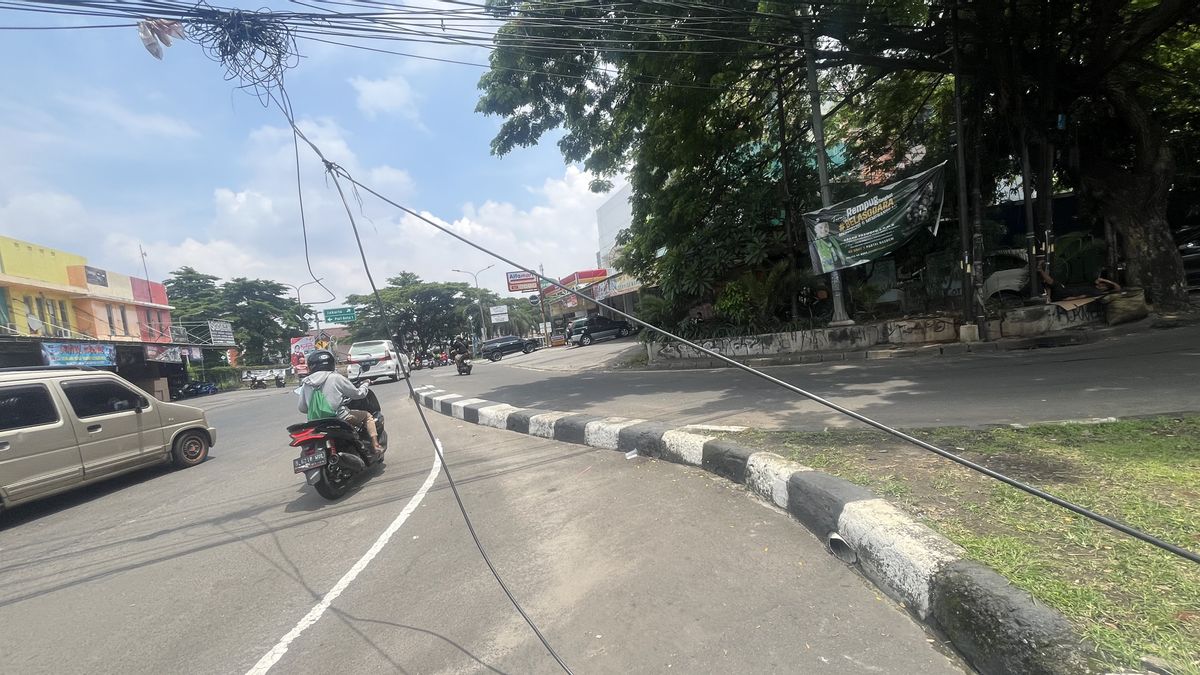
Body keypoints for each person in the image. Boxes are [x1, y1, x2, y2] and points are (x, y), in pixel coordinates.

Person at [297, 349, 383, 453]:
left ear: (311, 366)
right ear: (331, 363)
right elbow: (358, 394)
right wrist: (365, 384)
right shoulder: (336, 377)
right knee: (367, 416)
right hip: (339, 417)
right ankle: (376, 445)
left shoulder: (306, 383)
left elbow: (302, 408)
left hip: (315, 422)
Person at [1038, 264, 1121, 302]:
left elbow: (1118, 288)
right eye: (1101, 284)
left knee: (1054, 284)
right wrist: (1105, 280)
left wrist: (1066, 299)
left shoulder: (1096, 292)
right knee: (1049, 284)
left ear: (1105, 289)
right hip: (1065, 290)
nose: (1100, 284)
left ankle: (1040, 270)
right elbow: (1098, 279)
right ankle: (1048, 297)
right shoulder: (1093, 285)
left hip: (1065, 294)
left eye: (1103, 286)